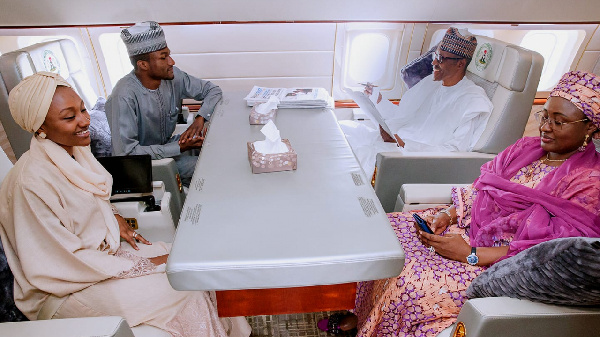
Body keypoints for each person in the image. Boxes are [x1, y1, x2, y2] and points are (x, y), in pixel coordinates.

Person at [318, 70, 600, 336]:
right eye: (544, 115)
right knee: (386, 232)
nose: (545, 128)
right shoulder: (526, 149)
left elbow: (545, 256)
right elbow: (482, 188)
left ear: (590, 128)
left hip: (495, 261)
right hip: (468, 228)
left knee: (411, 282)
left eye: (559, 121)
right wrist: (447, 214)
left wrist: (470, 254)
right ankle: (366, 317)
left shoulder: (588, 183)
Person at [0, 72, 250, 337]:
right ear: (40, 127)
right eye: (69, 117)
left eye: (83, 109)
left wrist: (114, 218)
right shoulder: (30, 183)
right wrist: (142, 266)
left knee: (197, 264)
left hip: (100, 258)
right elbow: (56, 261)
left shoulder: (75, 152)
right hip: (66, 287)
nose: (85, 121)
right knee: (182, 289)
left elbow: (94, 196)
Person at [340, 28, 493, 177]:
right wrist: (377, 99)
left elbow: (454, 152)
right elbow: (403, 116)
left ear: (460, 64)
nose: (434, 62)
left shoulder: (473, 101)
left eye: (441, 58)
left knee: (350, 160)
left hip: (411, 157)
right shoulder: (432, 83)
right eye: (436, 55)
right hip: (395, 142)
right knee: (343, 130)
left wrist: (404, 143)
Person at [106, 21, 222, 187]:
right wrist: (178, 148)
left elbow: (213, 90)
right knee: (210, 166)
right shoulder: (123, 96)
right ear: (143, 64)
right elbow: (127, 153)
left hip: (166, 147)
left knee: (213, 143)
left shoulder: (173, 76)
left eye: (169, 55)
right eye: (163, 57)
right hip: (143, 166)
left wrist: (200, 118)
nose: (171, 62)